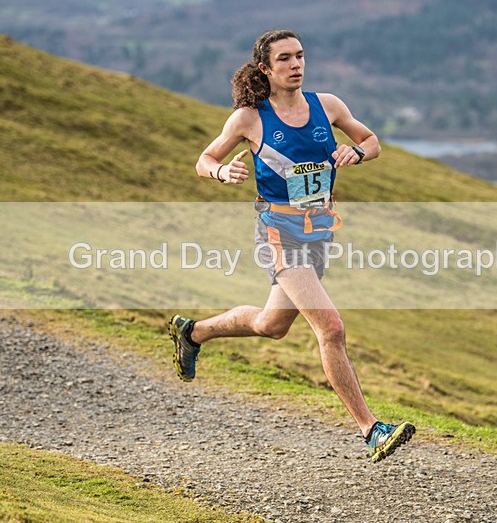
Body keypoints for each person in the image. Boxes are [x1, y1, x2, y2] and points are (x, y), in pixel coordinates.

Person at [168, 29, 414, 463]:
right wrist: (222, 173)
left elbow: (372, 141)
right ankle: (371, 430)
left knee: (271, 324)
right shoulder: (249, 118)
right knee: (331, 328)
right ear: (266, 68)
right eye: (284, 59)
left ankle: (194, 332)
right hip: (278, 233)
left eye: (300, 56)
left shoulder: (328, 105)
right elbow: (204, 159)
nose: (295, 64)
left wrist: (356, 154)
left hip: (319, 231)